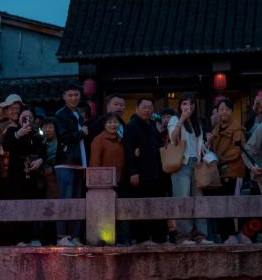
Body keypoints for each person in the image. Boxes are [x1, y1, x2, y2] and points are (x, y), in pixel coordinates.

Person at [123, 97, 165, 245]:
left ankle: (158, 237)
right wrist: (133, 172)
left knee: (156, 204)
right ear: (137, 109)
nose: (147, 110)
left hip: (155, 171)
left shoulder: (153, 125)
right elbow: (129, 151)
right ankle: (142, 238)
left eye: (150, 107)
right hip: (140, 172)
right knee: (141, 205)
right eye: (144, 107)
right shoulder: (132, 126)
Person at [168, 93, 209, 243]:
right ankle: (183, 236)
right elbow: (173, 138)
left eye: (191, 104)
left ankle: (200, 235)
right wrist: (182, 119)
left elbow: (199, 145)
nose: (188, 107)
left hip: (196, 163)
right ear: (179, 106)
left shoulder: (196, 121)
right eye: (184, 103)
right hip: (181, 164)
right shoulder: (174, 119)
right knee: (183, 200)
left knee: (199, 201)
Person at [3, 108, 47, 245]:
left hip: (32, 173)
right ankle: (17, 238)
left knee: (31, 205)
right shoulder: (12, 130)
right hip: (16, 174)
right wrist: (18, 134)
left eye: (30, 116)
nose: (27, 118)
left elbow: (44, 152)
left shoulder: (37, 133)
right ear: (19, 117)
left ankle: (29, 237)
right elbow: (6, 146)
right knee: (16, 204)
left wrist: (40, 160)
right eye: (24, 116)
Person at [53, 84, 89, 246]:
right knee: (65, 200)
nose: (74, 98)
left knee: (77, 200)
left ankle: (74, 236)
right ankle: (62, 236)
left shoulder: (77, 114)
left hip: (78, 162)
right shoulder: (60, 115)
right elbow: (65, 137)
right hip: (65, 162)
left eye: (76, 95)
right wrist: (81, 132)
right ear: (64, 96)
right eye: (70, 95)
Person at [207, 98, 247, 242]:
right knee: (222, 205)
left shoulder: (237, 130)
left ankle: (235, 234)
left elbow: (236, 151)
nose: (223, 112)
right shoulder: (215, 130)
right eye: (220, 110)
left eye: (226, 109)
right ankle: (226, 236)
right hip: (220, 174)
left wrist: (219, 159)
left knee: (234, 205)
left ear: (231, 111)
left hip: (234, 172)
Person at [89, 114, 126, 185]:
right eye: (109, 123)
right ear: (104, 125)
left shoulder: (121, 139)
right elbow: (94, 162)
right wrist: (95, 181)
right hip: (104, 181)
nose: (113, 125)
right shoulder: (99, 139)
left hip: (120, 179)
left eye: (115, 122)